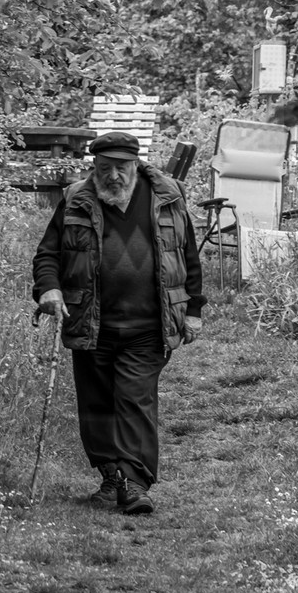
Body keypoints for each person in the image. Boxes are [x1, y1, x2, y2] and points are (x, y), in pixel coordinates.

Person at [31, 130, 206, 514]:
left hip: (149, 324)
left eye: (121, 167)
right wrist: (48, 290)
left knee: (133, 399)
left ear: (137, 165)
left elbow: (187, 254)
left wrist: (194, 309)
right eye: (105, 167)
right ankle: (111, 477)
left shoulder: (168, 196)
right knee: (96, 405)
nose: (114, 176)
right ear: (95, 167)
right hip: (91, 321)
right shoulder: (76, 198)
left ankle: (135, 482)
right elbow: (48, 255)